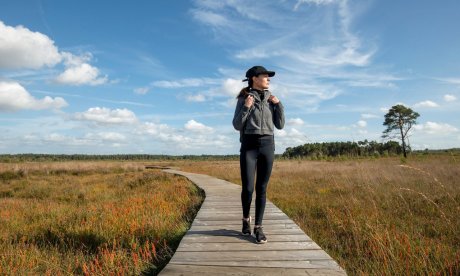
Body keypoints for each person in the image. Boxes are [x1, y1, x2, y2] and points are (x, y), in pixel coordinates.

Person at [232, 65, 285, 244]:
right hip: (249, 146)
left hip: (268, 145)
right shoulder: (244, 98)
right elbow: (237, 125)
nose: (268, 79)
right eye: (265, 76)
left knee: (262, 188)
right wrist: (247, 107)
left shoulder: (272, 99)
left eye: (269, 77)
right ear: (254, 78)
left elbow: (280, 125)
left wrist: (279, 105)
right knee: (248, 188)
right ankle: (246, 219)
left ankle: (258, 228)